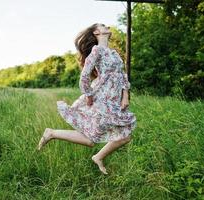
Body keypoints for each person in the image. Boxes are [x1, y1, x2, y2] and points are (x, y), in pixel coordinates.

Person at [37, 23, 137, 175]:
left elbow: (122, 75)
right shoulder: (96, 51)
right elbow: (84, 76)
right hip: (102, 100)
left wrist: (125, 96)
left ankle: (96, 156)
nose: (106, 26)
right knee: (107, 137)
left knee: (120, 137)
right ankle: (52, 134)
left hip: (115, 101)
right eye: (103, 25)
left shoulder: (114, 53)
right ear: (97, 32)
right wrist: (89, 96)